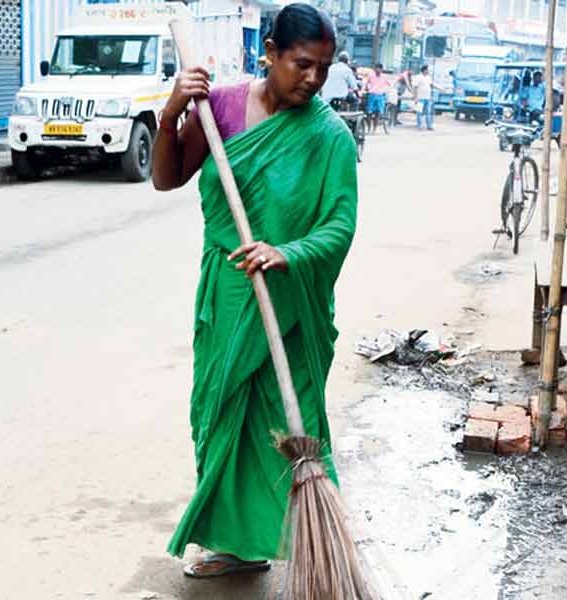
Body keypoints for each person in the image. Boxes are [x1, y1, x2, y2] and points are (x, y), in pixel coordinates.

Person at [151, 3, 358, 578]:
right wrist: (171, 114)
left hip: (289, 304)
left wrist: (285, 253)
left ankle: (317, 548)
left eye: (323, 67)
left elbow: (339, 225)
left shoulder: (330, 138)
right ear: (269, 53)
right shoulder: (217, 109)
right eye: (301, 64)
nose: (313, 79)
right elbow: (167, 178)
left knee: (289, 423)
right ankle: (237, 547)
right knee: (220, 415)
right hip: (227, 294)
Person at [412, 64, 441, 130]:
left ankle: (429, 126)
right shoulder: (418, 77)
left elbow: (431, 85)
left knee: (428, 112)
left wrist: (439, 88)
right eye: (428, 70)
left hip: (427, 97)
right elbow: (415, 87)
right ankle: (419, 126)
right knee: (419, 112)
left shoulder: (428, 77)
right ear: (424, 70)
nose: (428, 71)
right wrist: (415, 97)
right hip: (420, 97)